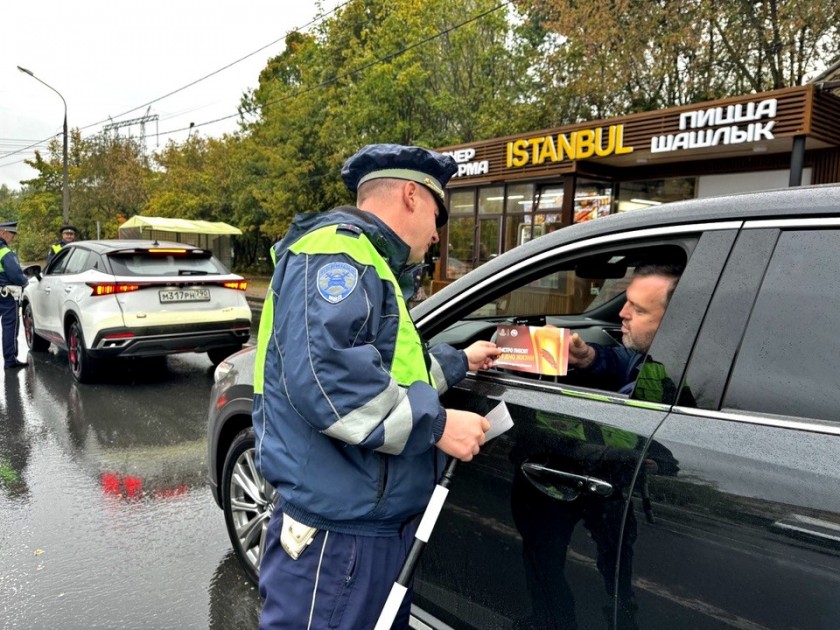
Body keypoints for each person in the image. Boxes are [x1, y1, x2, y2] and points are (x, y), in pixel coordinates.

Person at [253, 144, 501, 630]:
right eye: (437, 215)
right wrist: (439, 425)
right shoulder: (337, 254)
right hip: (336, 536)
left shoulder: (373, 262)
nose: (435, 234)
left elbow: (388, 372)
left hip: (366, 529)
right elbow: (330, 384)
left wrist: (459, 360)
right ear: (411, 195)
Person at [567, 263, 683, 394]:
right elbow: (625, 362)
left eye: (638, 310)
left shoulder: (685, 383)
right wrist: (588, 357)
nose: (622, 313)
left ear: (674, 321)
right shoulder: (650, 355)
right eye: (627, 301)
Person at [0, 222, 29, 369]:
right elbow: (16, 275)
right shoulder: (5, 252)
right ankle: (10, 361)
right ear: (3, 233)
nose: (12, 238)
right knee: (10, 327)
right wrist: (26, 282)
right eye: (11, 234)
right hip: (6, 297)